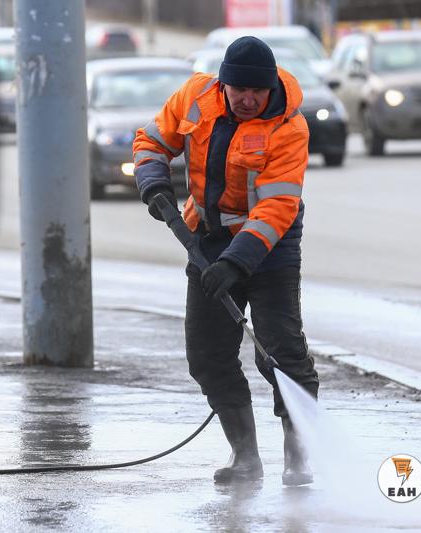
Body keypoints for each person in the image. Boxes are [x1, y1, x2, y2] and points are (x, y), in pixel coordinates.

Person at [132, 36, 319, 486]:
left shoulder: (288, 128)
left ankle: (298, 456)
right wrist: (154, 184)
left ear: (272, 85)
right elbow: (152, 141)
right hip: (207, 240)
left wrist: (236, 264)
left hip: (268, 247)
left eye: (259, 91)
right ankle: (246, 458)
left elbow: (275, 209)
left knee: (280, 352)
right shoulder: (196, 97)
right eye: (241, 91)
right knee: (207, 354)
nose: (250, 99)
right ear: (224, 85)